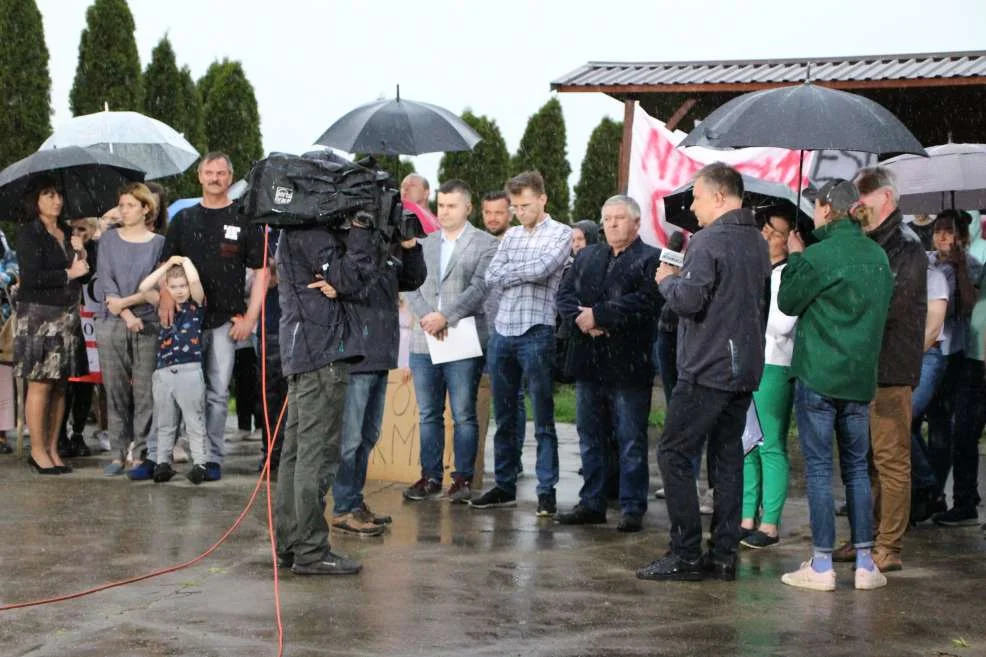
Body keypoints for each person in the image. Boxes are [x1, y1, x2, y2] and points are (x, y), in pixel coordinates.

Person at [637, 163, 770, 582]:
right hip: (744, 367)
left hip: (707, 367)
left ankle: (686, 552)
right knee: (727, 457)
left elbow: (689, 302)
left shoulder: (710, 241)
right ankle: (725, 553)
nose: (691, 207)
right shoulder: (757, 241)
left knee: (674, 453)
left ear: (718, 196)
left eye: (695, 197)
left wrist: (667, 281)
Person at [274, 211, 378, 576]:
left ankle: (291, 544)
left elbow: (345, 282)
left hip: (304, 349)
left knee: (297, 453)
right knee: (315, 455)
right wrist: (362, 231)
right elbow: (350, 277)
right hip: (320, 351)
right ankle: (310, 550)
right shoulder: (313, 232)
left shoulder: (292, 228)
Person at [835, 167, 926, 573]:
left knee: (889, 460)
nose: (857, 210)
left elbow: (891, 308)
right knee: (868, 459)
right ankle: (864, 540)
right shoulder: (874, 243)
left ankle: (888, 546)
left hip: (889, 368)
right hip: (868, 366)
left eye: (863, 201)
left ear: (885, 199)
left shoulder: (906, 247)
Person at [555, 195, 661, 532]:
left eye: (619, 218)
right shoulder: (588, 254)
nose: (612, 224)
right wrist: (582, 320)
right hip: (589, 360)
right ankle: (592, 502)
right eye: (607, 218)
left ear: (636, 223)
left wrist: (599, 316)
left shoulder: (651, 259)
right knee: (590, 435)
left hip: (629, 363)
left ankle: (632, 506)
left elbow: (647, 301)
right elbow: (564, 295)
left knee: (630, 438)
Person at [159, 152, 267, 482]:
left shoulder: (244, 218)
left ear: (230, 177)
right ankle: (173, 454)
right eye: (209, 172)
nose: (215, 178)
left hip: (226, 321)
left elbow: (262, 271)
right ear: (200, 177)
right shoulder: (184, 219)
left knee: (218, 394)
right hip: (184, 322)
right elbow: (165, 267)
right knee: (178, 392)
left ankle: (212, 459)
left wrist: (251, 317)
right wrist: (165, 295)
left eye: (221, 173)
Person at [472, 171, 572, 516]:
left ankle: (547, 491)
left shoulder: (561, 233)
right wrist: (521, 270)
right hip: (503, 332)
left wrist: (517, 270)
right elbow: (490, 276)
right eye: (515, 207)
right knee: (504, 415)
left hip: (537, 332)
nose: (519, 212)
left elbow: (543, 269)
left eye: (525, 205)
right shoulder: (511, 235)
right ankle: (504, 484)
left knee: (542, 417)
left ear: (542, 199)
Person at [403, 179, 498, 503]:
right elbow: (408, 283)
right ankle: (430, 476)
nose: (444, 212)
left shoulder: (485, 243)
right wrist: (428, 315)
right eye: (441, 205)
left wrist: (447, 316)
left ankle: (462, 479)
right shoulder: (424, 243)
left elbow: (480, 287)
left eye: (451, 206)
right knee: (428, 414)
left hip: (462, 339)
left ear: (468, 208)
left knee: (463, 413)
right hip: (423, 340)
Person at [330, 223, 425, 531]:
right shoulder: (348, 249)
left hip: (381, 354)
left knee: (368, 437)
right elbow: (343, 281)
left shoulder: (387, 253)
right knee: (350, 439)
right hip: (355, 355)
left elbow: (412, 278)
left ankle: (354, 502)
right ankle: (343, 507)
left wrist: (410, 246)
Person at [14, 177, 90, 474]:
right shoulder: (29, 234)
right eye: (48, 195)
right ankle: (37, 450)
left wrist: (81, 253)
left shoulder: (69, 232)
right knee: (40, 383)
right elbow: (32, 277)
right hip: (39, 317)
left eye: (59, 194)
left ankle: (53, 447)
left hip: (68, 314)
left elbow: (82, 274)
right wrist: (67, 272)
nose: (56, 200)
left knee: (61, 385)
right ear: (36, 201)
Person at [96, 183, 166, 478]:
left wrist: (131, 303)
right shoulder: (109, 240)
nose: (123, 210)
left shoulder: (159, 243)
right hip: (113, 322)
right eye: (121, 204)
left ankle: (141, 453)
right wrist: (125, 312)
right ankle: (117, 452)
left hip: (148, 323)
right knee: (114, 390)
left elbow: (155, 289)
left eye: (129, 205)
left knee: (145, 391)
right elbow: (106, 281)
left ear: (145, 209)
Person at [740, 209, 798, 549]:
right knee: (747, 442)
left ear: (789, 240)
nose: (764, 235)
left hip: (775, 363)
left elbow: (782, 324)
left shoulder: (788, 273)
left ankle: (771, 523)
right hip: (750, 360)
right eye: (763, 228)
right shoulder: (757, 270)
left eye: (773, 231)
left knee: (770, 443)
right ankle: (747, 516)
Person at [137, 256, 208, 483]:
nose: (179, 291)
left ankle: (200, 463)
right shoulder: (162, 304)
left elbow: (196, 283)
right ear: (166, 287)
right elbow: (144, 287)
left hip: (189, 369)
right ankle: (162, 463)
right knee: (165, 421)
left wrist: (186, 262)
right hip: (164, 371)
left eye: (183, 286)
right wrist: (167, 267)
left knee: (194, 419)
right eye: (174, 286)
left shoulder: (195, 305)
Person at [481, 190, 527, 476]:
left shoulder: (519, 243)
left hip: (509, 333)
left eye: (499, 212)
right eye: (488, 212)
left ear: (509, 213)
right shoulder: (474, 243)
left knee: (511, 399)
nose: (493, 218)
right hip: (475, 332)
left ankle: (513, 459)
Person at [908, 262, 950, 523]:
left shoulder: (933, 277)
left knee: (901, 418)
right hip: (899, 356)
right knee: (905, 425)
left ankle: (927, 484)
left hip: (927, 355)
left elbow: (933, 328)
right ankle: (924, 489)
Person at [57, 217, 99, 458]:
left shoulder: (98, 250)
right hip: (65, 318)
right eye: (73, 228)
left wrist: (83, 253)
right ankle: (60, 433)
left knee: (85, 380)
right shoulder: (60, 247)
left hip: (90, 321)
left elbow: (87, 278)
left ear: (93, 230)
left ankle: (79, 433)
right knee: (66, 380)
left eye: (82, 229)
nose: (77, 233)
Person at [0, 227, 19, 455]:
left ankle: (2, 433)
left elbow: (14, 267)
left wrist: (6, 277)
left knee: (3, 378)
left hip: (2, 319)